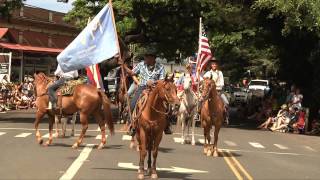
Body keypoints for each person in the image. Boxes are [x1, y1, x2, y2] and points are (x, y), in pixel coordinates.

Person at [124, 47, 166, 135]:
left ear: (153, 58)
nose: (145, 59)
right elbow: (132, 73)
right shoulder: (141, 64)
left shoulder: (160, 67)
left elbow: (162, 80)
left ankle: (167, 125)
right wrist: (123, 66)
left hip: (155, 89)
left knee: (166, 104)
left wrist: (154, 82)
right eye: (145, 57)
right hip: (142, 88)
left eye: (147, 57)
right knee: (132, 103)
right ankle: (130, 124)